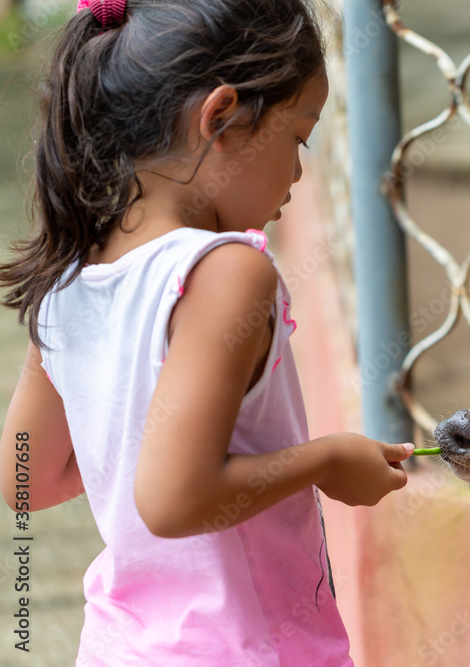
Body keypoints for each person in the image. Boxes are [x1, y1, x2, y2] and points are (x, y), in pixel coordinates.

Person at [0, 0, 412, 664]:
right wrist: (329, 459)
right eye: (298, 137)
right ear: (219, 118)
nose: (301, 171)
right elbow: (173, 498)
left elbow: (27, 478)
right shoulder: (226, 273)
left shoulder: (69, 278)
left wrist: (134, 441)